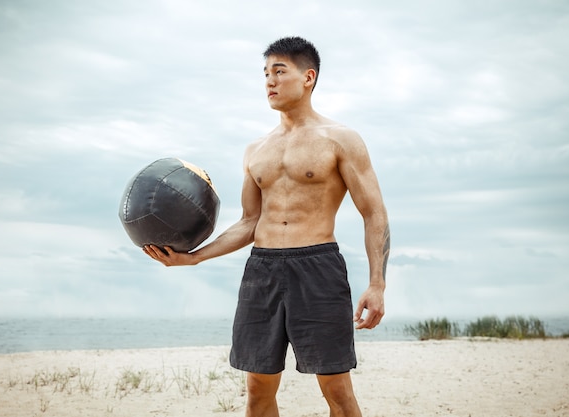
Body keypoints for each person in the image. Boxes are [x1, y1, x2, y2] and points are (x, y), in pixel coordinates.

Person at [143, 36, 389, 417]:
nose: (269, 82)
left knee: (337, 391)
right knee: (257, 390)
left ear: (308, 77)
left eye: (279, 71)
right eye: (265, 74)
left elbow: (374, 213)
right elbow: (248, 222)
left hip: (318, 268)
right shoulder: (256, 150)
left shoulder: (340, 139)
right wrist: (193, 259)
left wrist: (377, 284)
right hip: (262, 270)